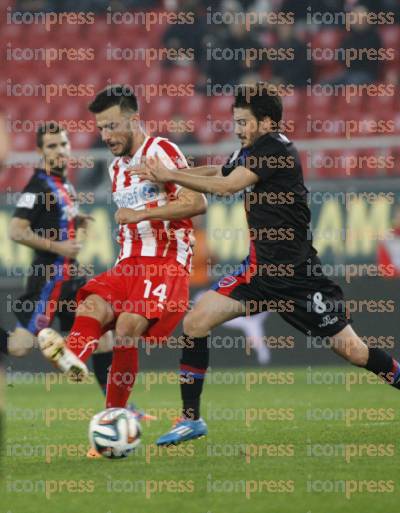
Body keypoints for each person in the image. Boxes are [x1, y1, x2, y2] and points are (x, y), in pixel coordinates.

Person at [132, 82, 400, 445]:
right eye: (236, 121)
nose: (237, 128)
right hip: (257, 274)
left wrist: (172, 177)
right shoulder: (251, 150)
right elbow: (221, 173)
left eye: (244, 121)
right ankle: (190, 419)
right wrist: (175, 172)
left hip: (298, 278)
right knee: (196, 320)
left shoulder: (276, 148)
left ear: (267, 122)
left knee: (353, 351)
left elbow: (229, 188)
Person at [37, 86, 206, 428]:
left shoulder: (161, 151)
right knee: (90, 307)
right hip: (128, 264)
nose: (106, 135)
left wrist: (142, 214)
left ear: (133, 120)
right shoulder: (116, 169)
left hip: (166, 261)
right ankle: (74, 358)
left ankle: (113, 415)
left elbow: (197, 203)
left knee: (127, 325)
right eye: (101, 128)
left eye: (113, 126)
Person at [1, 122, 113, 398]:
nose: (60, 150)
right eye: (52, 146)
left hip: (71, 280)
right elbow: (16, 230)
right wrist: (58, 246)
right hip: (48, 281)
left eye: (63, 144)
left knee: (103, 337)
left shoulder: (63, 183)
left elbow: (57, 217)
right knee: (19, 346)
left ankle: (117, 409)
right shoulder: (37, 187)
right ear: (40, 151)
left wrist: (77, 219)